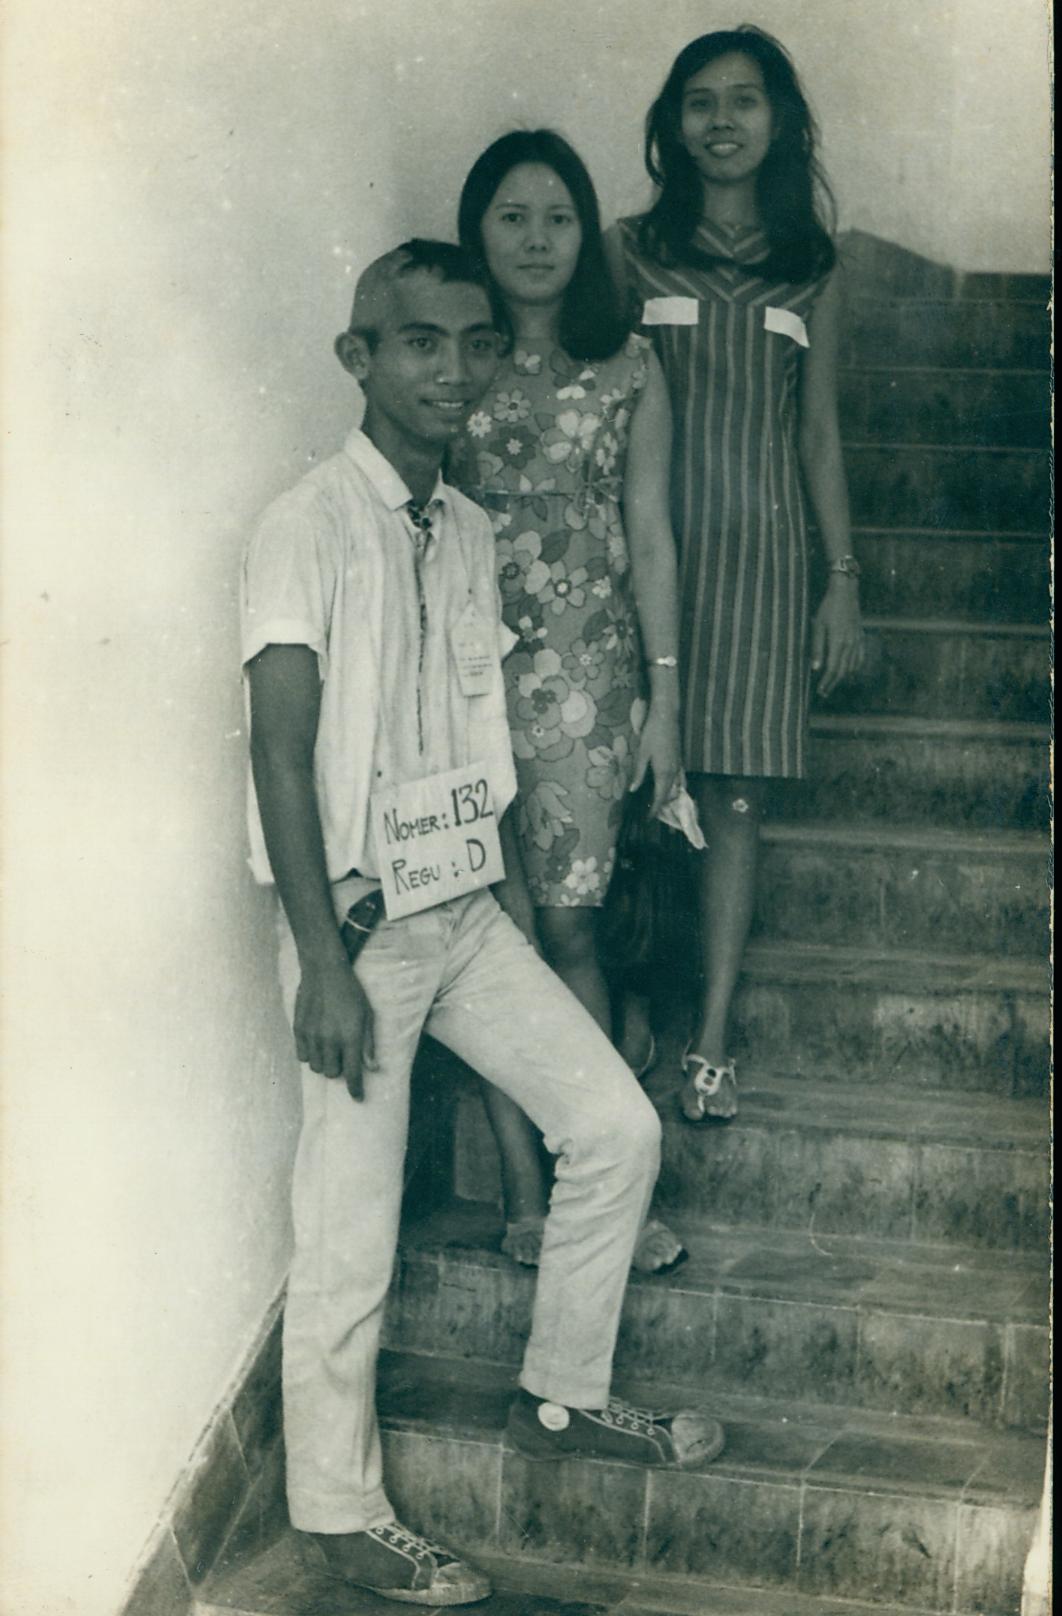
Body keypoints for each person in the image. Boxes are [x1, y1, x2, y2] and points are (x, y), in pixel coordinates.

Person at [241, 238, 723, 1608]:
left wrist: (504, 914)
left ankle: (561, 1390)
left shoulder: (461, 528)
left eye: (473, 342)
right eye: (419, 342)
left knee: (616, 1126)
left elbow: (472, 743)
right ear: (360, 357)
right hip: (356, 936)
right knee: (349, 1227)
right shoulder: (304, 523)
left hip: (461, 912)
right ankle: (337, 1512)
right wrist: (322, 965)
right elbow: (279, 752)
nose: (451, 368)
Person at [607, 27, 866, 1125]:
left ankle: (709, 1032)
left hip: (761, 560)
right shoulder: (628, 251)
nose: (722, 120)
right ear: (673, 124)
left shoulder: (816, 265)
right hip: (642, 556)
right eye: (700, 101)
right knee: (635, 785)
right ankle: (631, 1002)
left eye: (745, 100)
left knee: (735, 797)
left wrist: (841, 577)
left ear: (780, 120)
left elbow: (818, 434)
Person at [450, 130, 686, 1274]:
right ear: (478, 231)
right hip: (460, 679)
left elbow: (652, 536)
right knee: (487, 934)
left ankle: (610, 1199)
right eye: (512, 216)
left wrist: (666, 703)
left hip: (589, 682)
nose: (536, 239)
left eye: (557, 217)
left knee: (571, 925)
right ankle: (524, 1196)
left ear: (586, 235)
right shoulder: (456, 363)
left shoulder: (631, 365)